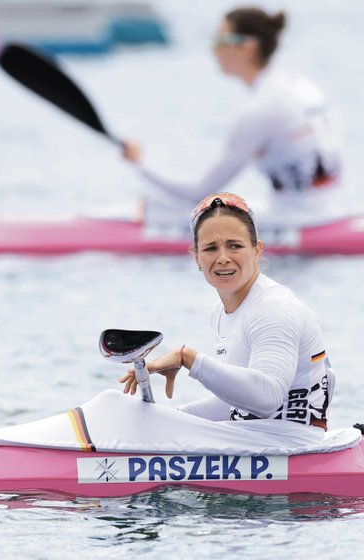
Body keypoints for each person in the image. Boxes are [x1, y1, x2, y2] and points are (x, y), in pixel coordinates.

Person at [119, 191, 335, 430]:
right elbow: (234, 405)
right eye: (211, 248)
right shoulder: (220, 312)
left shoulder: (274, 309)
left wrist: (187, 358)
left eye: (235, 246)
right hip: (257, 442)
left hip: (293, 448)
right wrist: (168, 420)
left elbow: (267, 399)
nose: (223, 258)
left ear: (257, 250)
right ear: (197, 258)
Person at [122, 7, 343, 230]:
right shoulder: (298, 84)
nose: (213, 49)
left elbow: (200, 191)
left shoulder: (260, 109)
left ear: (248, 47)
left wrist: (141, 164)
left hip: (299, 219)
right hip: (330, 208)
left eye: (220, 40)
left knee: (165, 207)